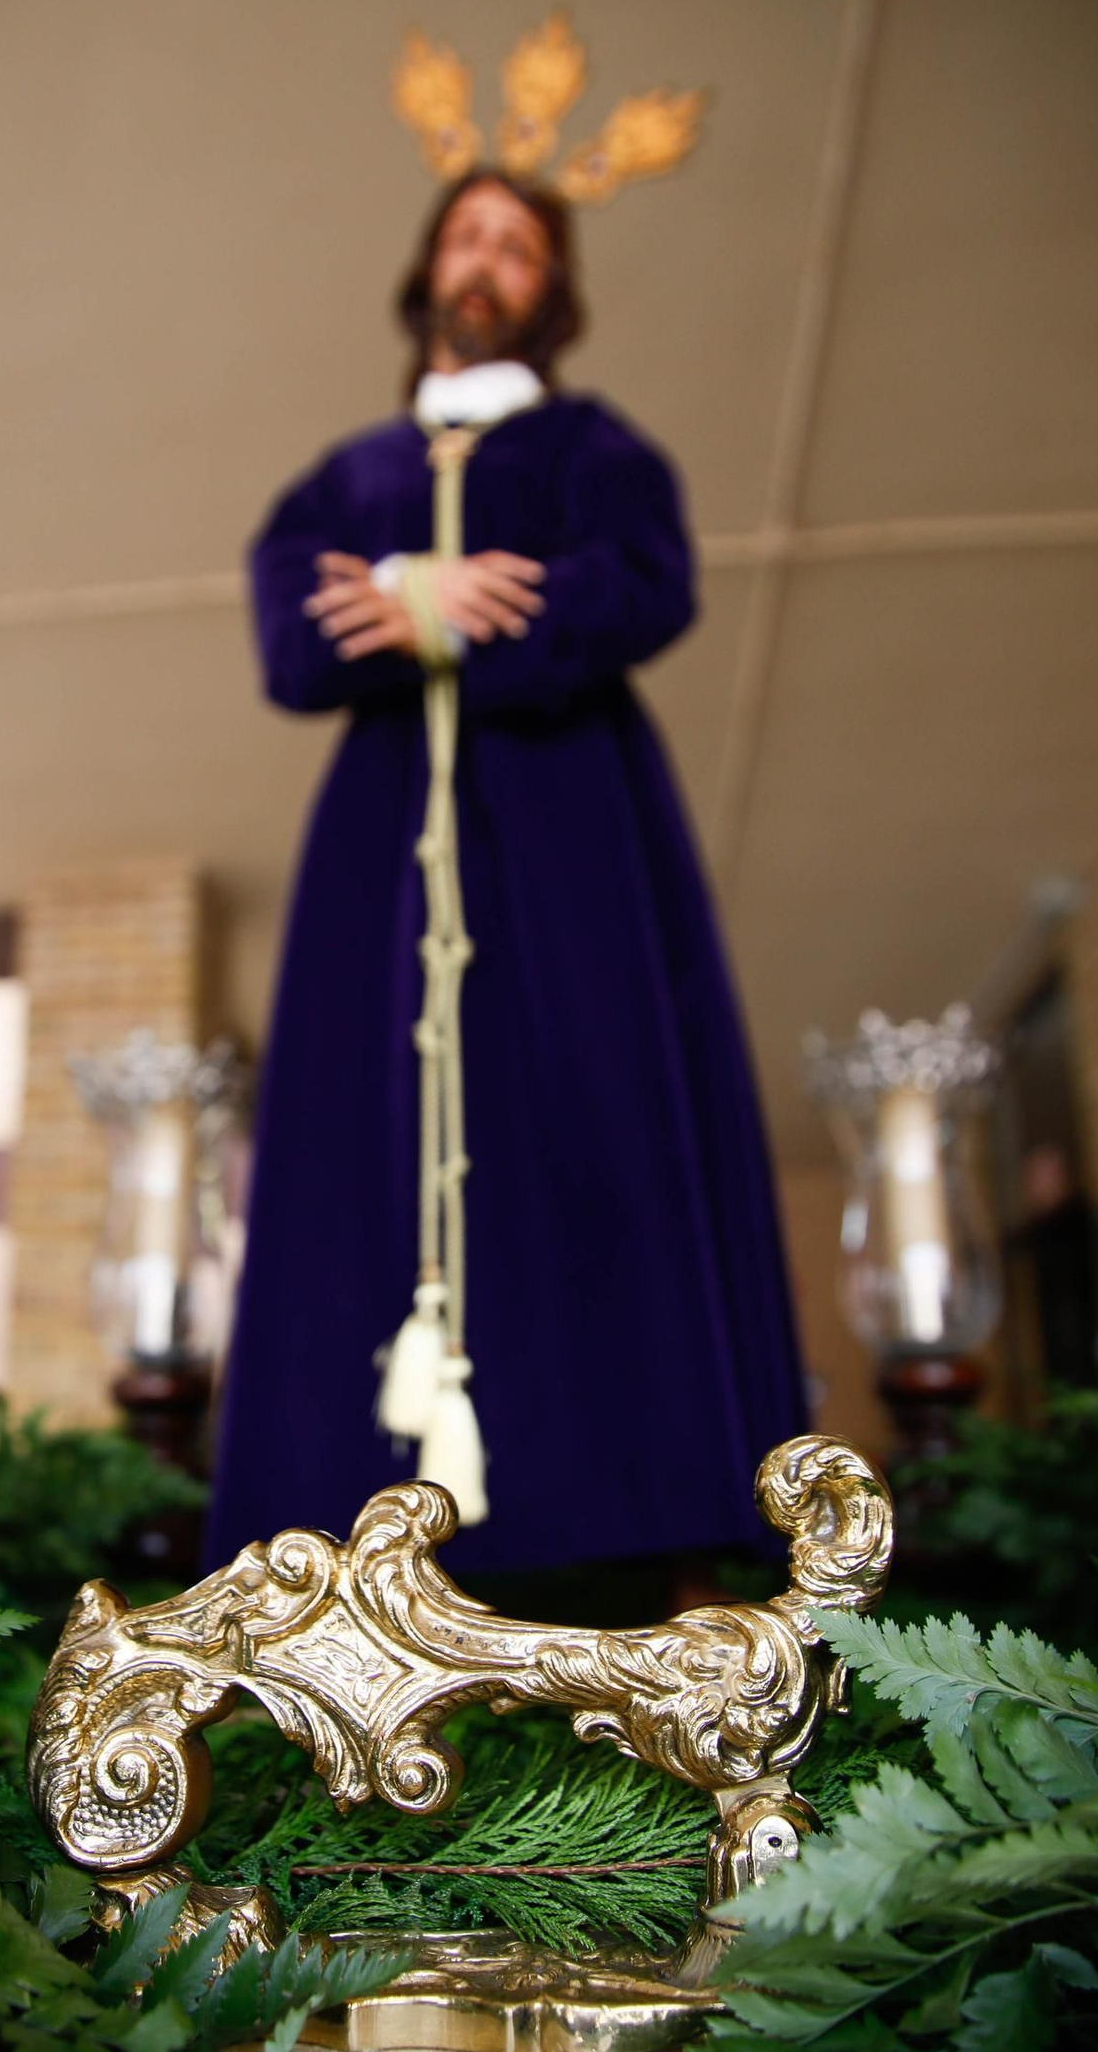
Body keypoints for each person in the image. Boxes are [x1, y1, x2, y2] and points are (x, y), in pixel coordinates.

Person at [206, 168, 807, 1579]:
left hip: (567, 834)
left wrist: (462, 608)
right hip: (382, 852)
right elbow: (293, 636)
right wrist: (428, 593)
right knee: (364, 1137)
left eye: (520, 246)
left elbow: (644, 583)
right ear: (426, 267)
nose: (489, 262)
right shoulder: (345, 475)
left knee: (593, 1111)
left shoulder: (597, 449)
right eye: (470, 235)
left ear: (555, 292)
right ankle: (336, 1543)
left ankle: (624, 1525)